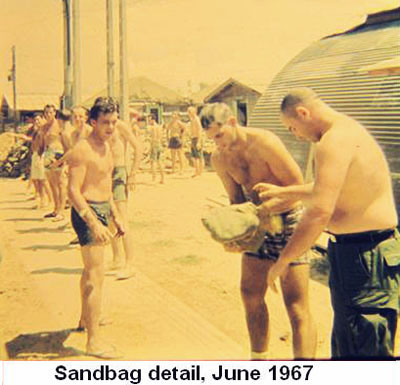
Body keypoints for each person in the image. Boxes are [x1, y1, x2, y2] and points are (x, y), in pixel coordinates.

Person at [256, 87, 400, 358]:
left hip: (363, 256)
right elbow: (332, 188)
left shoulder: (332, 141)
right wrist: (286, 193)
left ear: (303, 113)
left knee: (364, 351)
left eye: (292, 128)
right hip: (363, 253)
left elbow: (319, 211)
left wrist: (284, 260)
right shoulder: (347, 132)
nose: (296, 135)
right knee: (352, 342)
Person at [199, 102, 317, 360]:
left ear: (232, 122)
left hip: (288, 221)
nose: (218, 144)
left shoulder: (265, 142)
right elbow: (235, 201)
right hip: (257, 224)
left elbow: (297, 187)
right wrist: (233, 233)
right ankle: (259, 362)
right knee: (250, 295)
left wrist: (267, 210)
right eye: (211, 139)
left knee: (296, 306)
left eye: (219, 136)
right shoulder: (219, 158)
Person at [68, 97, 125, 358]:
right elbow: (73, 192)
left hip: (103, 209)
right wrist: (93, 221)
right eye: (105, 123)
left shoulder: (108, 145)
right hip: (86, 211)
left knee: (90, 271)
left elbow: (105, 185)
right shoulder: (83, 149)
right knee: (96, 276)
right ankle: (94, 343)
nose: (111, 127)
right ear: (93, 122)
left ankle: (84, 318)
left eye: (114, 122)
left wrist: (115, 216)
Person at [107, 104, 143, 280]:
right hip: (104, 173)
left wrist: (133, 173)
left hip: (119, 172)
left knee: (122, 218)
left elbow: (138, 148)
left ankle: (130, 264)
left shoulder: (120, 126)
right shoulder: (100, 127)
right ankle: (117, 258)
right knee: (109, 220)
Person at [42, 104, 67, 221]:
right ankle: (56, 208)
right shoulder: (44, 127)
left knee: (61, 183)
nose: (48, 115)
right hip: (48, 154)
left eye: (50, 112)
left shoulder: (59, 125)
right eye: (46, 113)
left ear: (54, 113)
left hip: (58, 153)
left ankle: (61, 211)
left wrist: (64, 159)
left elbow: (65, 141)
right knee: (52, 183)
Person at [148, 114, 165, 184]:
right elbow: (160, 137)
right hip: (159, 144)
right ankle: (162, 177)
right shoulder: (159, 127)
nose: (149, 121)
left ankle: (154, 178)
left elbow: (153, 139)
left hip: (154, 145)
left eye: (149, 120)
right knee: (159, 162)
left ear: (152, 120)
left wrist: (151, 147)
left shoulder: (153, 128)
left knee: (153, 162)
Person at [187, 106, 204, 177]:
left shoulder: (197, 119)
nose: (188, 113)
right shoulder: (192, 120)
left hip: (197, 138)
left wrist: (199, 141)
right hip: (193, 138)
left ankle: (200, 172)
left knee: (199, 156)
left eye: (189, 112)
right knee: (194, 156)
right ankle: (196, 171)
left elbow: (199, 130)